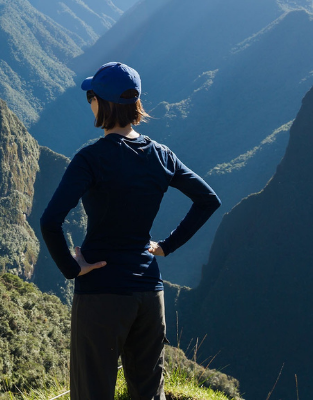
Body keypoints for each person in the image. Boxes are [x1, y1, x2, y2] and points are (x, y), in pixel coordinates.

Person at [40, 62, 221, 400]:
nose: (89, 102)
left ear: (101, 103)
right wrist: (166, 246)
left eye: (91, 97)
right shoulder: (162, 156)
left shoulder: (90, 159)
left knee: (92, 392)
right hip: (149, 293)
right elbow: (208, 199)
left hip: (101, 292)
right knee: (149, 393)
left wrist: (72, 268)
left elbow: (50, 221)